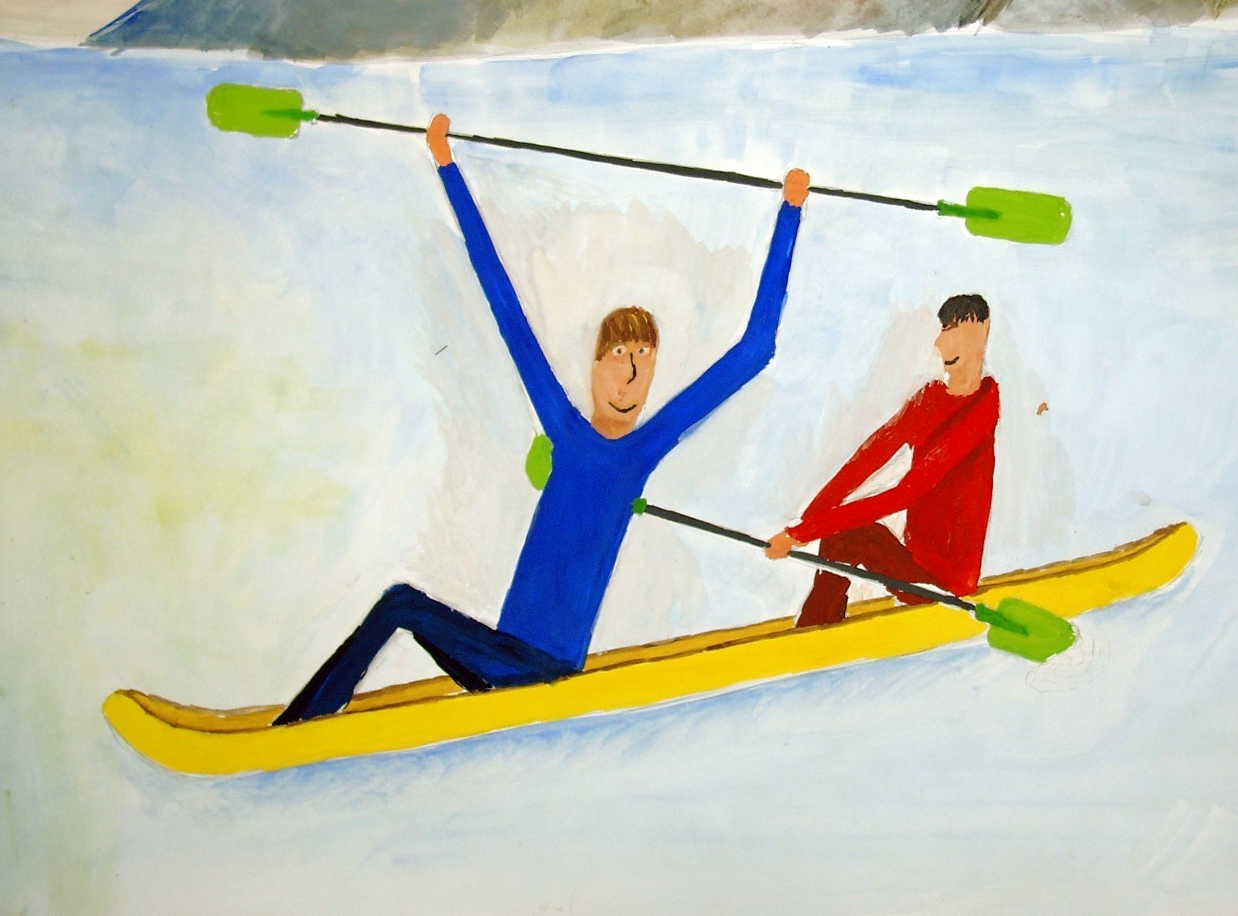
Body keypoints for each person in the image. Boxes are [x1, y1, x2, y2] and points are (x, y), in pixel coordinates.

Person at [274, 115, 809, 724]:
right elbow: (501, 298)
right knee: (402, 607)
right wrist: (447, 167)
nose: (632, 374)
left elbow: (755, 349)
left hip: (542, 672)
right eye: (619, 356)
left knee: (401, 605)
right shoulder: (564, 425)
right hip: (503, 660)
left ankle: (295, 730)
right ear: (594, 366)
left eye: (644, 360)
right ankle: (299, 726)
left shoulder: (644, 448)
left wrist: (790, 213)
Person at [764, 294, 1000, 627]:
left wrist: (802, 532)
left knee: (845, 534)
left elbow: (907, 493)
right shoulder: (928, 399)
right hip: (913, 566)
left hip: (947, 586)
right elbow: (866, 460)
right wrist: (808, 520)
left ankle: (814, 632)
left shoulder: (982, 408)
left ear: (983, 332)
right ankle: (816, 628)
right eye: (943, 330)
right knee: (842, 534)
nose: (941, 343)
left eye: (955, 331)